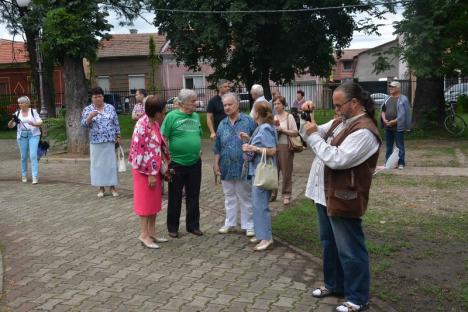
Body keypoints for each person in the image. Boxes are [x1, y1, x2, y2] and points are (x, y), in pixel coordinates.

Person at [301, 83, 381, 312]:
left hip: (344, 197)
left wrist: (314, 136)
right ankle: (334, 284)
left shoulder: (364, 131)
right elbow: (308, 135)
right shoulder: (341, 122)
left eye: (338, 105)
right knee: (329, 244)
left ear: (354, 103)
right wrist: (306, 117)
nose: (335, 109)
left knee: (350, 249)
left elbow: (337, 159)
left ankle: (358, 297)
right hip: (325, 194)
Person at [128, 95, 170, 249]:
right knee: (145, 205)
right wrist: (150, 174)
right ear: (157, 112)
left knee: (153, 203)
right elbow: (141, 153)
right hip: (144, 172)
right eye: (164, 110)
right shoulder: (142, 125)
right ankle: (144, 235)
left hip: (154, 170)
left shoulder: (154, 123)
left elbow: (158, 146)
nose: (165, 113)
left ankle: (151, 233)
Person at [161, 89, 203, 238]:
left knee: (193, 195)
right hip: (176, 163)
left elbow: (199, 135)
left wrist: (198, 149)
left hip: (194, 163)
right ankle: (173, 227)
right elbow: (163, 138)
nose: (196, 104)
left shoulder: (196, 116)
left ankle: (193, 226)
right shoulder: (171, 117)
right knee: (175, 196)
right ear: (184, 103)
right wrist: (166, 158)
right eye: (193, 101)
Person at [214, 92, 256, 237]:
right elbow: (218, 146)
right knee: (229, 196)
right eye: (225, 105)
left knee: (245, 196)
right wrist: (215, 164)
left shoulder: (248, 121)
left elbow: (257, 142)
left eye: (230, 104)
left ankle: (249, 225)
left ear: (237, 104)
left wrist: (248, 139)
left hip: (243, 166)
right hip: (226, 166)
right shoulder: (222, 123)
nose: (227, 107)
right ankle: (230, 223)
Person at [240, 101, 278, 251]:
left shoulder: (266, 128)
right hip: (256, 171)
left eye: (253, 110)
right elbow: (262, 144)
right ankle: (261, 233)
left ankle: (266, 238)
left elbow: (272, 150)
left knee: (261, 206)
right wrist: (248, 139)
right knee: (257, 204)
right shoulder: (262, 128)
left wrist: (252, 147)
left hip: (262, 172)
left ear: (257, 113)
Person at [81, 87, 121, 198]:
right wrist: (90, 117)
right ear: (92, 98)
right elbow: (83, 125)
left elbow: (115, 122)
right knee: (98, 165)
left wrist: (118, 135)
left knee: (110, 165)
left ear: (103, 97)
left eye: (100, 96)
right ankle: (101, 188)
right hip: (96, 141)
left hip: (109, 140)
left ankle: (112, 187)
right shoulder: (88, 109)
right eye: (95, 97)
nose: (98, 99)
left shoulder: (110, 108)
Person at [7, 96, 43, 184]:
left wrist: (34, 123)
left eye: (22, 103)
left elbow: (40, 122)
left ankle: (35, 177)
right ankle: (24, 175)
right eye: (19, 103)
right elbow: (10, 126)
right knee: (23, 157)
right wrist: (12, 120)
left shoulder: (33, 111)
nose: (20, 104)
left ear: (27, 103)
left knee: (33, 156)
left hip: (33, 135)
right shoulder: (17, 113)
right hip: (22, 136)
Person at [272, 96, 299, 205]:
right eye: (274, 104)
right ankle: (273, 194)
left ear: (283, 105)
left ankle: (286, 194)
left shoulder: (289, 117)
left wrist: (283, 130)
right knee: (274, 172)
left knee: (286, 172)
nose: (276, 106)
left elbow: (295, 132)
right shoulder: (273, 117)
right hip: (274, 147)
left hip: (285, 147)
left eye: (278, 103)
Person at [381, 81, 411, 169]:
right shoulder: (387, 98)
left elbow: (404, 114)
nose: (390, 88)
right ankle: (388, 162)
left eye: (393, 87)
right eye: (390, 87)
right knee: (389, 146)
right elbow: (383, 110)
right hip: (388, 126)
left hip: (398, 127)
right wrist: (384, 119)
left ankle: (401, 163)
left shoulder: (403, 99)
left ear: (398, 88)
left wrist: (394, 121)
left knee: (399, 146)